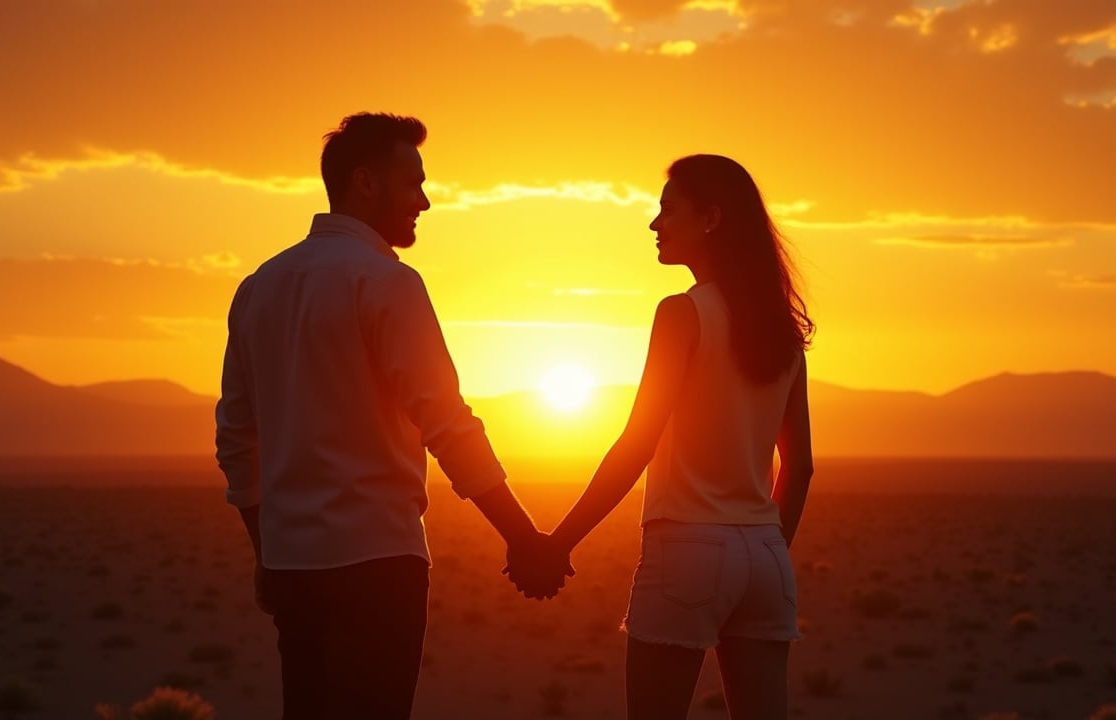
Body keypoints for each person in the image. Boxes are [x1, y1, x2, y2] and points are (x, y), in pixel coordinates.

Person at [215, 112, 566, 720]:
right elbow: (447, 424)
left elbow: (235, 441)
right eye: (414, 184)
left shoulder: (257, 288)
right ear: (366, 184)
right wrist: (523, 538)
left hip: (292, 567)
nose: (425, 202)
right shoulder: (387, 282)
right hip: (377, 563)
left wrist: (266, 551)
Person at [512, 154, 816, 719]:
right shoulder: (782, 328)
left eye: (667, 210)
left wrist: (558, 543)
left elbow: (637, 443)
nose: (655, 224)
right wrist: (766, 551)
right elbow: (799, 466)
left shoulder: (682, 313)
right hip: (767, 555)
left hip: (688, 550)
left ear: (712, 219)